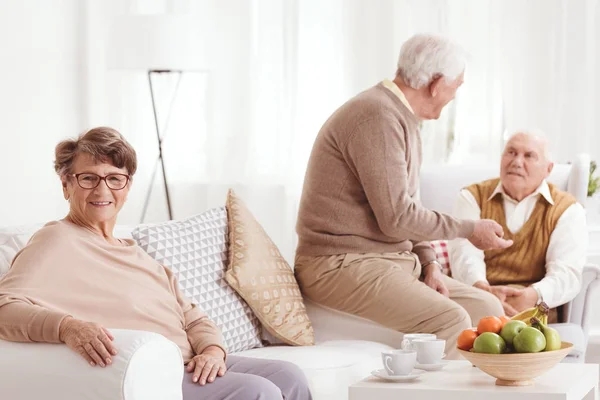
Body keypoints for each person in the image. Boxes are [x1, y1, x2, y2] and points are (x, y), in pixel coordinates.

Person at [0, 127, 311, 400]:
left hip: (192, 361)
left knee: (290, 376)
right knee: (260, 393)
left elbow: (194, 319)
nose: (102, 189)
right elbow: (4, 307)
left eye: (114, 179)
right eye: (88, 178)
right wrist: (68, 327)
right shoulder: (56, 239)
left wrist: (213, 351)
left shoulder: (136, 253)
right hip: (150, 374)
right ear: (66, 184)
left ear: (127, 186)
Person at [294, 33, 513, 360]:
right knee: (450, 319)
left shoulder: (401, 118)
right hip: (337, 263)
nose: (455, 96)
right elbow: (397, 217)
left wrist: (430, 263)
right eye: (458, 86)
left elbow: (407, 208)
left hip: (388, 260)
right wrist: (469, 229)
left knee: (487, 307)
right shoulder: (377, 116)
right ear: (437, 84)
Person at [449, 131, 587, 321]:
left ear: (548, 169)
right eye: (511, 153)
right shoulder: (472, 197)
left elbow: (566, 273)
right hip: (477, 297)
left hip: (534, 305)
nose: (517, 162)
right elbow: (464, 254)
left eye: (529, 155)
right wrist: (483, 292)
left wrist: (531, 296)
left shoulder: (568, 209)